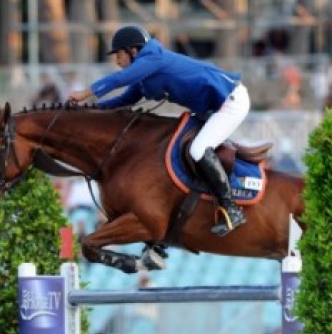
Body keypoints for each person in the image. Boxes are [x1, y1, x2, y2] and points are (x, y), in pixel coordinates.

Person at [68, 24, 249, 237]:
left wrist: (86, 93)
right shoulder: (145, 75)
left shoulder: (153, 58)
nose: (116, 61)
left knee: (198, 149)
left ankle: (232, 209)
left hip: (230, 102)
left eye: (118, 54)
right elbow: (125, 99)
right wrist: (89, 111)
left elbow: (118, 80)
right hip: (210, 108)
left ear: (133, 51)